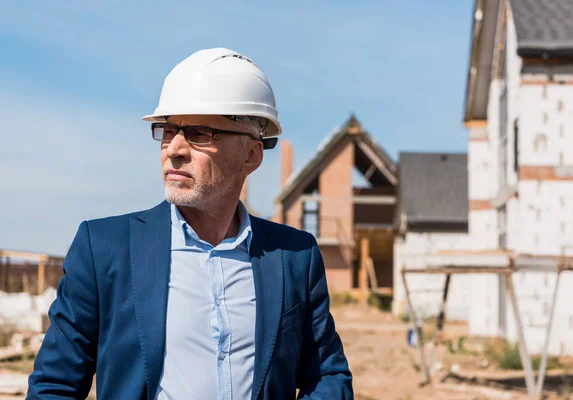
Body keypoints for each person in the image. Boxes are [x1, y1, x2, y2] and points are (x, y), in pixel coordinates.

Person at [27, 48, 353, 399]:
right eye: (168, 131)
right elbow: (54, 387)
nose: (175, 149)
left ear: (251, 155)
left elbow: (328, 376)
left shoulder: (294, 256)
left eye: (200, 133)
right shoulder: (104, 249)